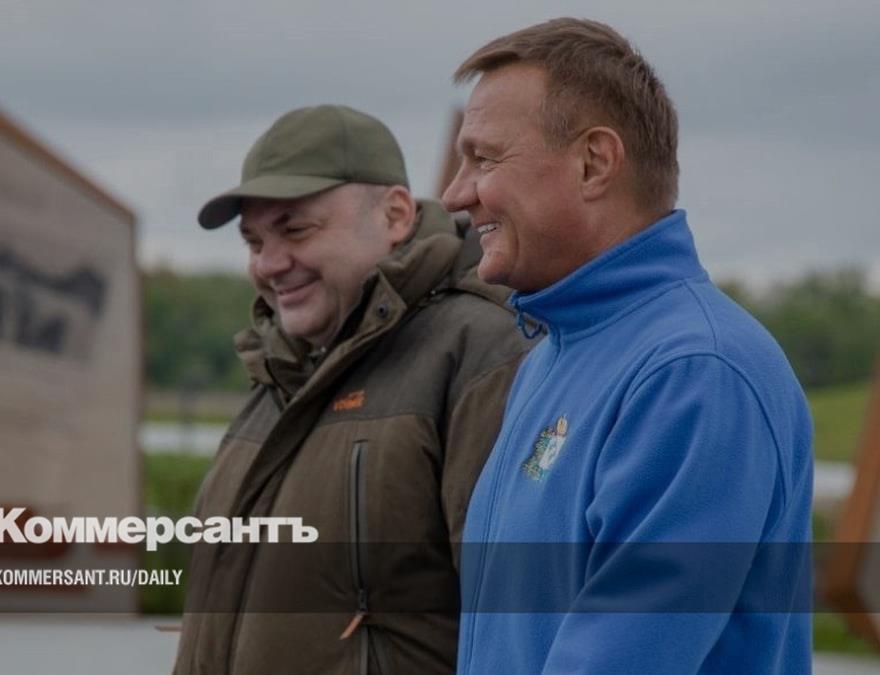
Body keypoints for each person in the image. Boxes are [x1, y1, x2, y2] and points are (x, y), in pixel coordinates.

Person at [441, 18, 813, 675]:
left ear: (594, 162)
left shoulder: (695, 372)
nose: (455, 193)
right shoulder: (548, 361)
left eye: (485, 158)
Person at [172, 104, 533, 675]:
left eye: (295, 229)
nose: (270, 264)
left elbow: (521, 623)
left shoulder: (481, 353)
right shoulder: (277, 376)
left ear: (394, 215)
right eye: (253, 241)